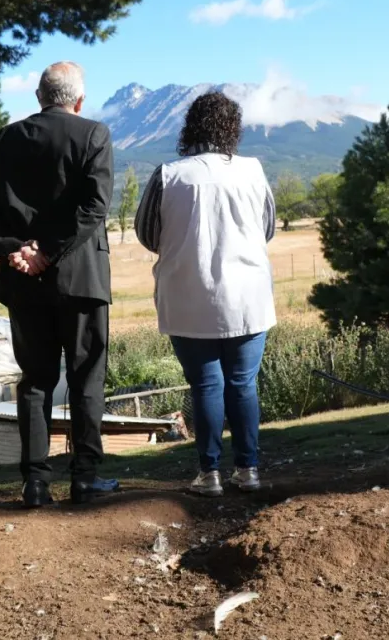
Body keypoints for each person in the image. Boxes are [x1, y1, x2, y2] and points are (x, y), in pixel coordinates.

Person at [0, 61, 119, 508]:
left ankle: (35, 482)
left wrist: (17, 250)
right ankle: (85, 477)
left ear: (38, 97)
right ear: (79, 100)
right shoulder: (94, 135)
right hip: (82, 280)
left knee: (34, 381)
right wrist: (49, 251)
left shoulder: (2, 140)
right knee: (85, 377)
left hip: (22, 281)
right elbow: (94, 207)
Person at [134, 91, 277, 497]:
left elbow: (148, 233)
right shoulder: (253, 171)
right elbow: (266, 227)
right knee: (243, 384)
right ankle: (248, 470)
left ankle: (209, 473)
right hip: (248, 295)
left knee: (207, 387)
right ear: (233, 129)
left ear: (190, 128)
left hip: (188, 295)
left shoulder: (169, 174)